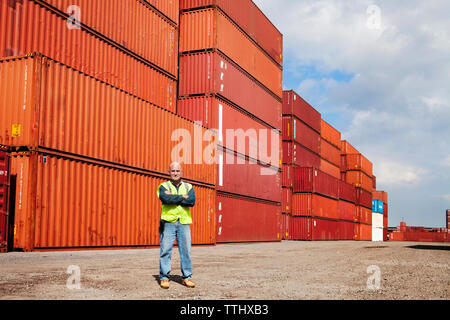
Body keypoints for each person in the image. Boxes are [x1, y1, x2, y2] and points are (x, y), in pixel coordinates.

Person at [157, 162, 196, 289]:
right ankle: (164, 277)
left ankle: (187, 277)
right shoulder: (163, 186)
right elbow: (165, 199)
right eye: (173, 171)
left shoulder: (189, 186)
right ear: (169, 172)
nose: (175, 173)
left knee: (186, 251)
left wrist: (174, 197)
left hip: (184, 223)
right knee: (165, 250)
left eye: (177, 171)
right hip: (168, 222)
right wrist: (181, 197)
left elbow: (191, 201)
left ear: (181, 172)